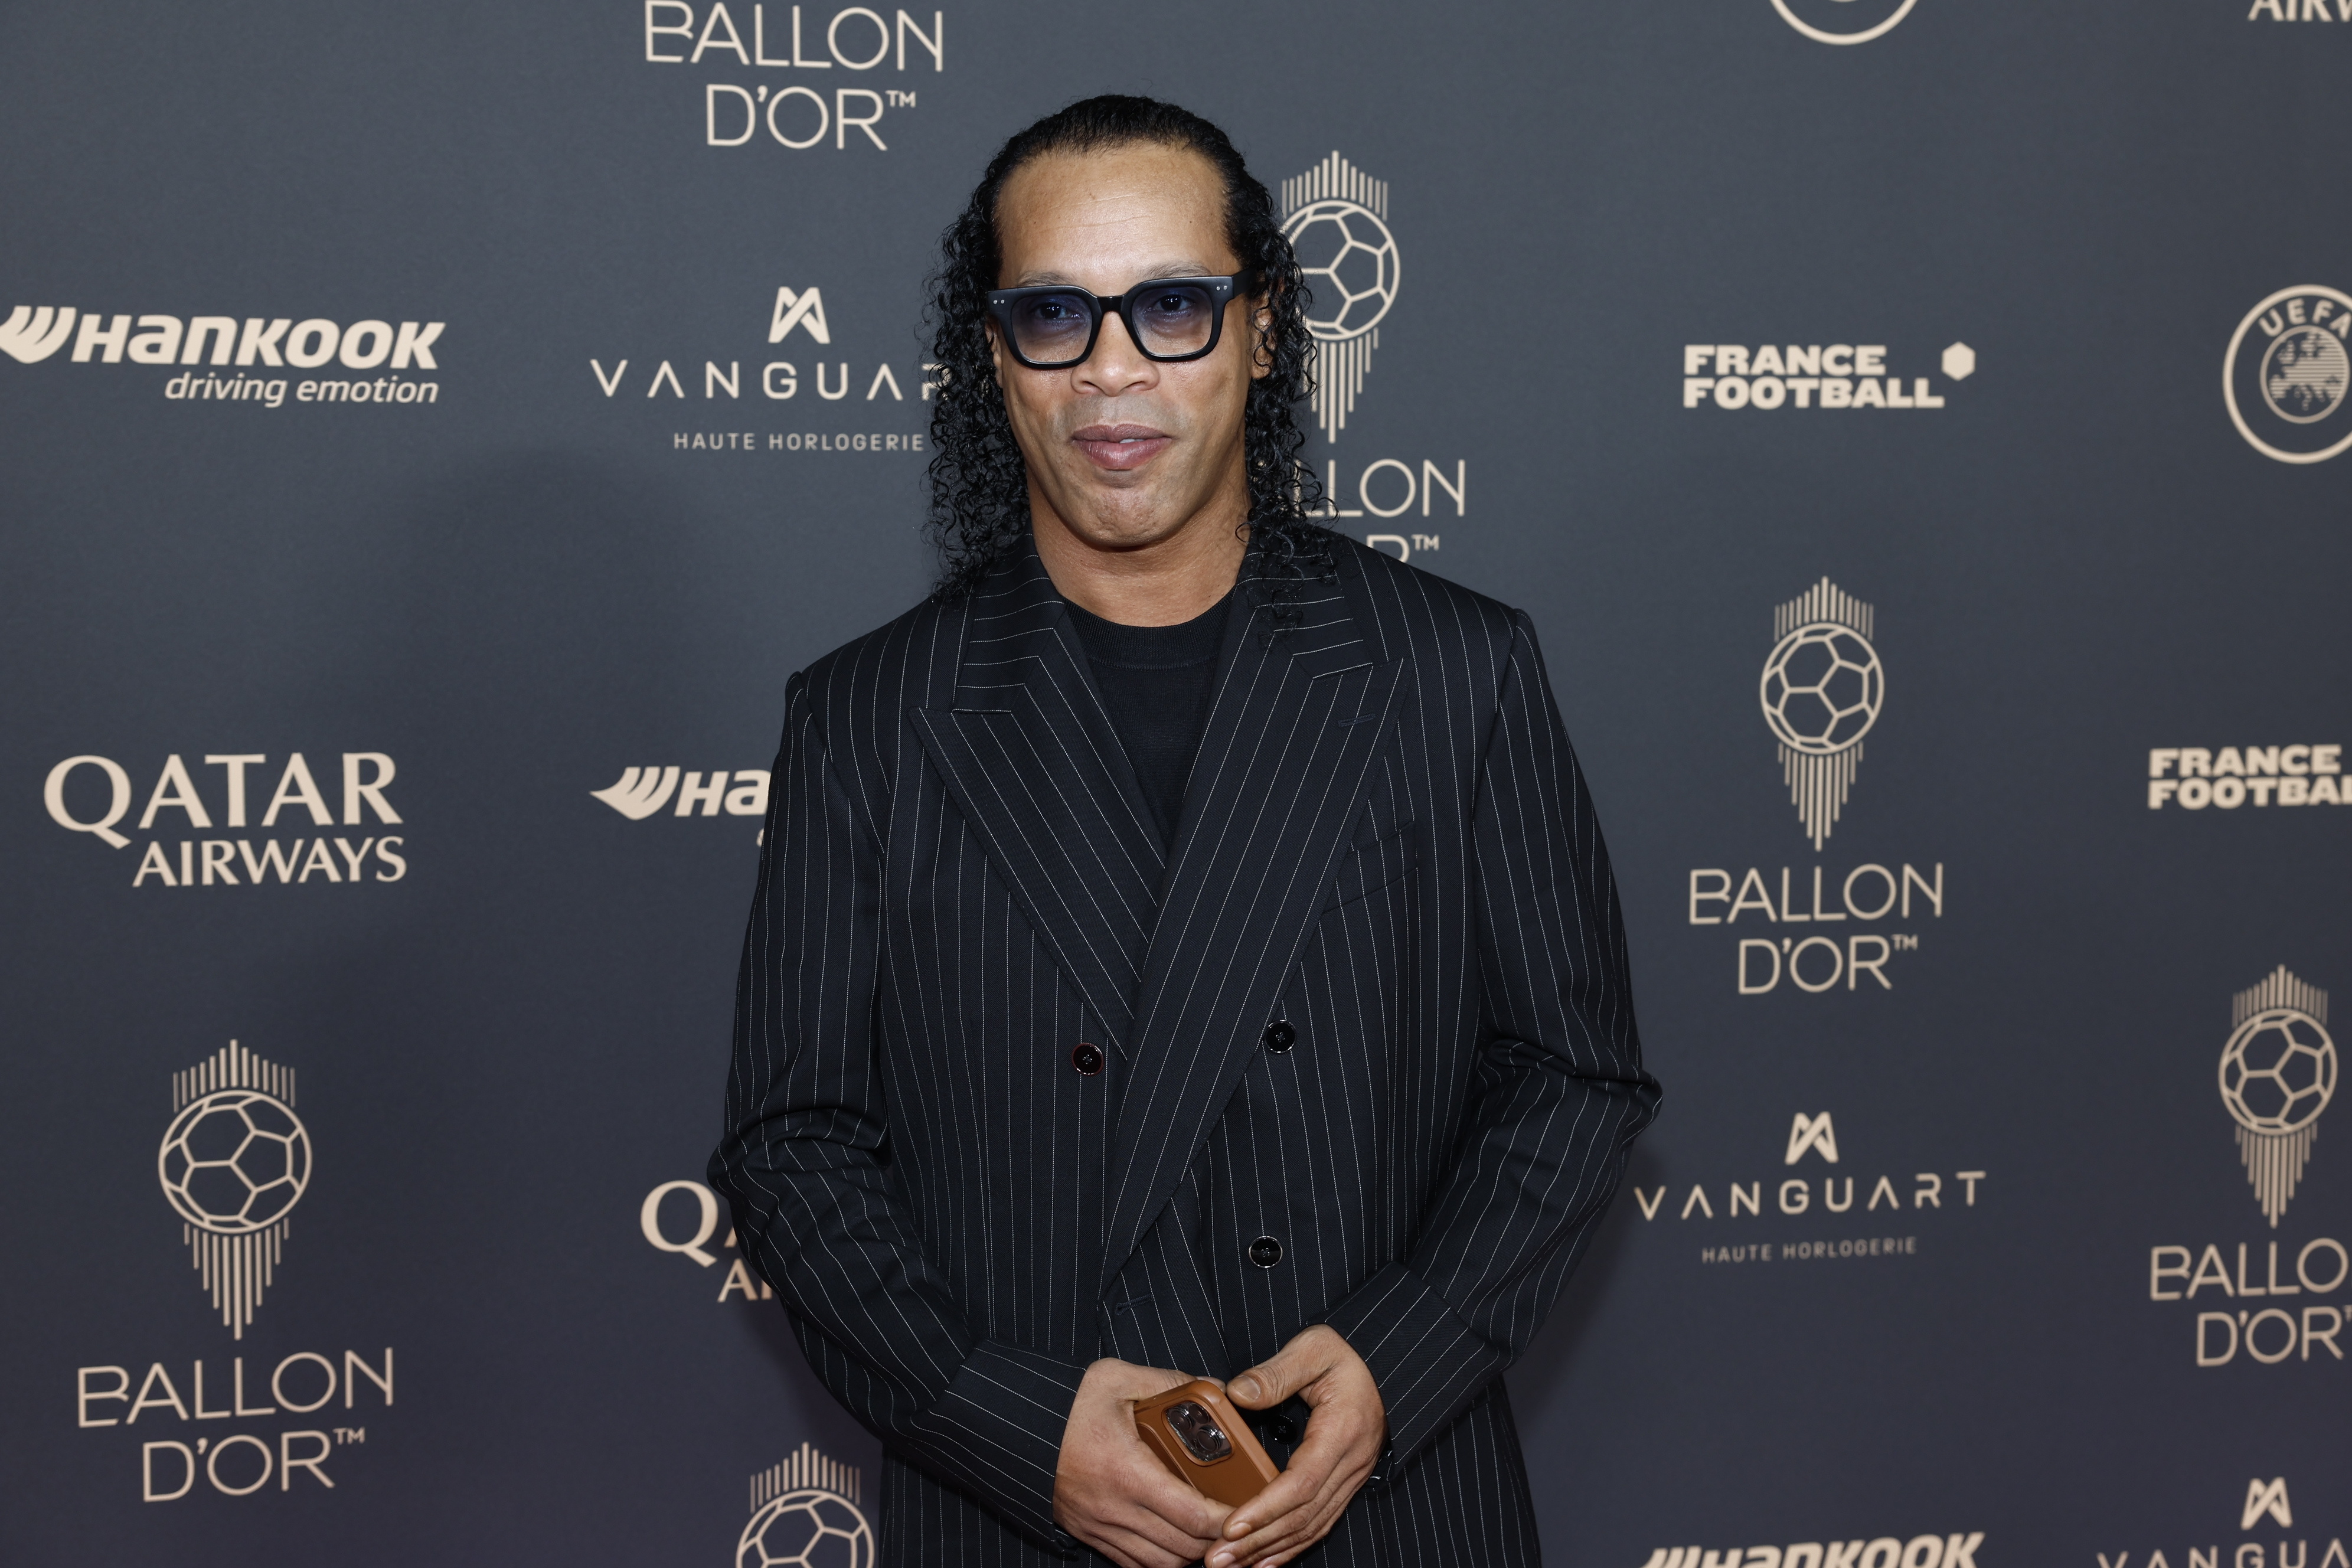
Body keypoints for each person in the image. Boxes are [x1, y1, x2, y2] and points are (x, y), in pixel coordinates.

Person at [709, 95, 1658, 1568]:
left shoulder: (1453, 670)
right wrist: (1007, 1419)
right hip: (1017, 1516)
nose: (1111, 373)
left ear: (1263, 330)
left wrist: (1399, 1359)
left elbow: (1574, 1073)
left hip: (1387, 1510)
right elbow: (795, 1146)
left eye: (1170, 306)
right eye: (1053, 316)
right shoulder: (868, 717)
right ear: (992, 356)